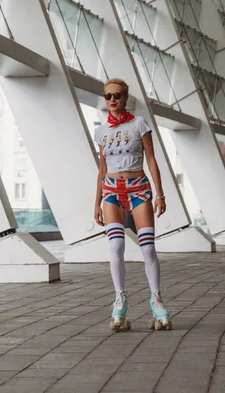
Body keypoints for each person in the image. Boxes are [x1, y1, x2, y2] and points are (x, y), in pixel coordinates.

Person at [94, 78, 172, 330]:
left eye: (117, 95)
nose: (113, 100)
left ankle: (156, 298)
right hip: (111, 192)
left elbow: (151, 160)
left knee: (147, 248)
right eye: (108, 96)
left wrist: (159, 194)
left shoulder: (139, 124)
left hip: (138, 189)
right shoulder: (101, 131)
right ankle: (119, 299)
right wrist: (96, 202)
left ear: (126, 97)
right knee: (116, 245)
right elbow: (102, 168)